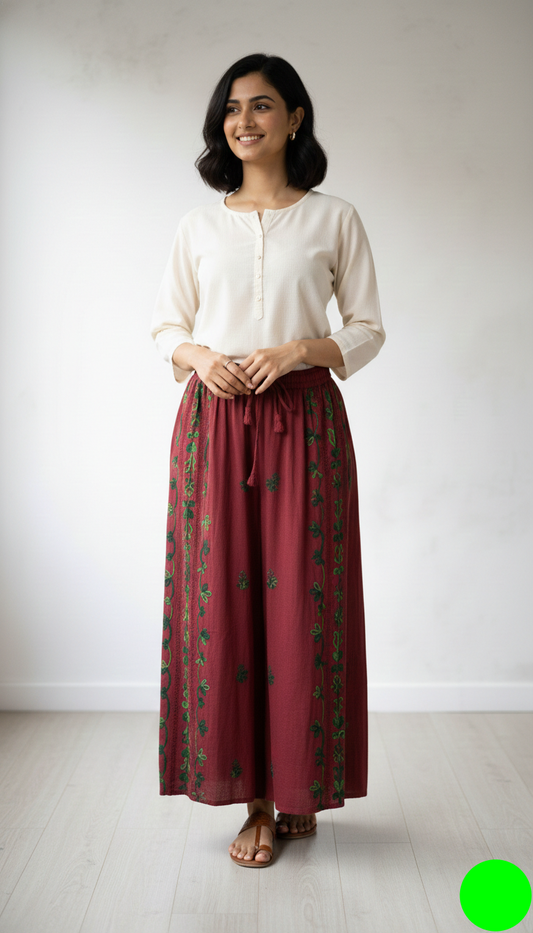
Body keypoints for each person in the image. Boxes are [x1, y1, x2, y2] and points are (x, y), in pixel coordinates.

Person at [151, 52, 386, 868]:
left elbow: (366, 327)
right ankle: (252, 802)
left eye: (261, 105)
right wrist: (197, 355)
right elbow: (162, 327)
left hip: (304, 421)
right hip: (214, 425)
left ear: (293, 119)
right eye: (230, 109)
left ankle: (298, 784)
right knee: (224, 605)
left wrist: (293, 351)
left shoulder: (333, 218)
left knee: (302, 604)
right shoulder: (196, 225)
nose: (243, 120)